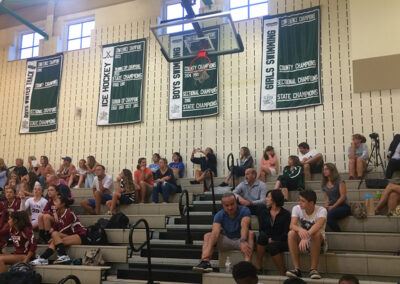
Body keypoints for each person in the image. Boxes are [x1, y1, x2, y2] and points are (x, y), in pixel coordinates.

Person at [192, 192, 254, 273]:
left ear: (236, 202)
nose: (230, 208)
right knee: (208, 235)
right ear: (223, 206)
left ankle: (247, 266)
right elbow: (215, 232)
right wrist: (211, 245)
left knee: (250, 233)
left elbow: (244, 225)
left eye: (232, 204)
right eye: (227, 205)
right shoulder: (219, 214)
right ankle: (205, 262)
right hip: (227, 240)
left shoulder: (244, 210)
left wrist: (242, 240)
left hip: (241, 240)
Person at [31, 194, 87, 265]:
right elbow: (54, 227)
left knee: (55, 235)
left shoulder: (69, 214)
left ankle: (62, 256)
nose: (54, 204)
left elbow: (62, 231)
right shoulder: (58, 214)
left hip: (80, 235)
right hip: (69, 235)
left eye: (56, 202)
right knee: (56, 239)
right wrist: (54, 214)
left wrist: (54, 237)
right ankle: (43, 258)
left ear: (62, 204)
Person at [286, 190, 327, 279]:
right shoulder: (296, 208)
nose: (300, 203)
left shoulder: (322, 210)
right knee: (291, 233)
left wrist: (306, 236)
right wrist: (300, 230)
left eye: (303, 201)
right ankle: (297, 269)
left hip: (319, 241)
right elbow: (292, 225)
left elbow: (319, 224)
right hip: (303, 240)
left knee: (315, 234)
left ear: (311, 203)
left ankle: (313, 269)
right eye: (299, 200)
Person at [256, 190, 290, 275]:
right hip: (266, 240)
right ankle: (259, 267)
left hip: (281, 241)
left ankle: (282, 271)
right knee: (261, 237)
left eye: (268, 197)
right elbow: (261, 229)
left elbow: (286, 232)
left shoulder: (286, 214)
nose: (266, 199)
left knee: (272, 246)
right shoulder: (264, 212)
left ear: (274, 199)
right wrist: (268, 239)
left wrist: (275, 240)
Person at [321, 163, 350, 232]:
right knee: (320, 214)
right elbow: (326, 199)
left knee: (329, 216)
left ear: (332, 170)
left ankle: (338, 233)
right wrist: (326, 207)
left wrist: (333, 206)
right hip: (332, 205)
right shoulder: (324, 184)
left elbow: (342, 197)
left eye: (326, 169)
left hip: (343, 206)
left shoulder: (340, 181)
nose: (324, 171)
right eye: (323, 169)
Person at [0, 185, 22, 250]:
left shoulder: (18, 202)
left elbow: (19, 216)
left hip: (16, 223)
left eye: (10, 192)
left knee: (2, 232)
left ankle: (3, 243)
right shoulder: (5, 203)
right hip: (8, 222)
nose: (8, 194)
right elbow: (3, 216)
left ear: (14, 194)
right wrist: (0, 225)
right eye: (7, 192)